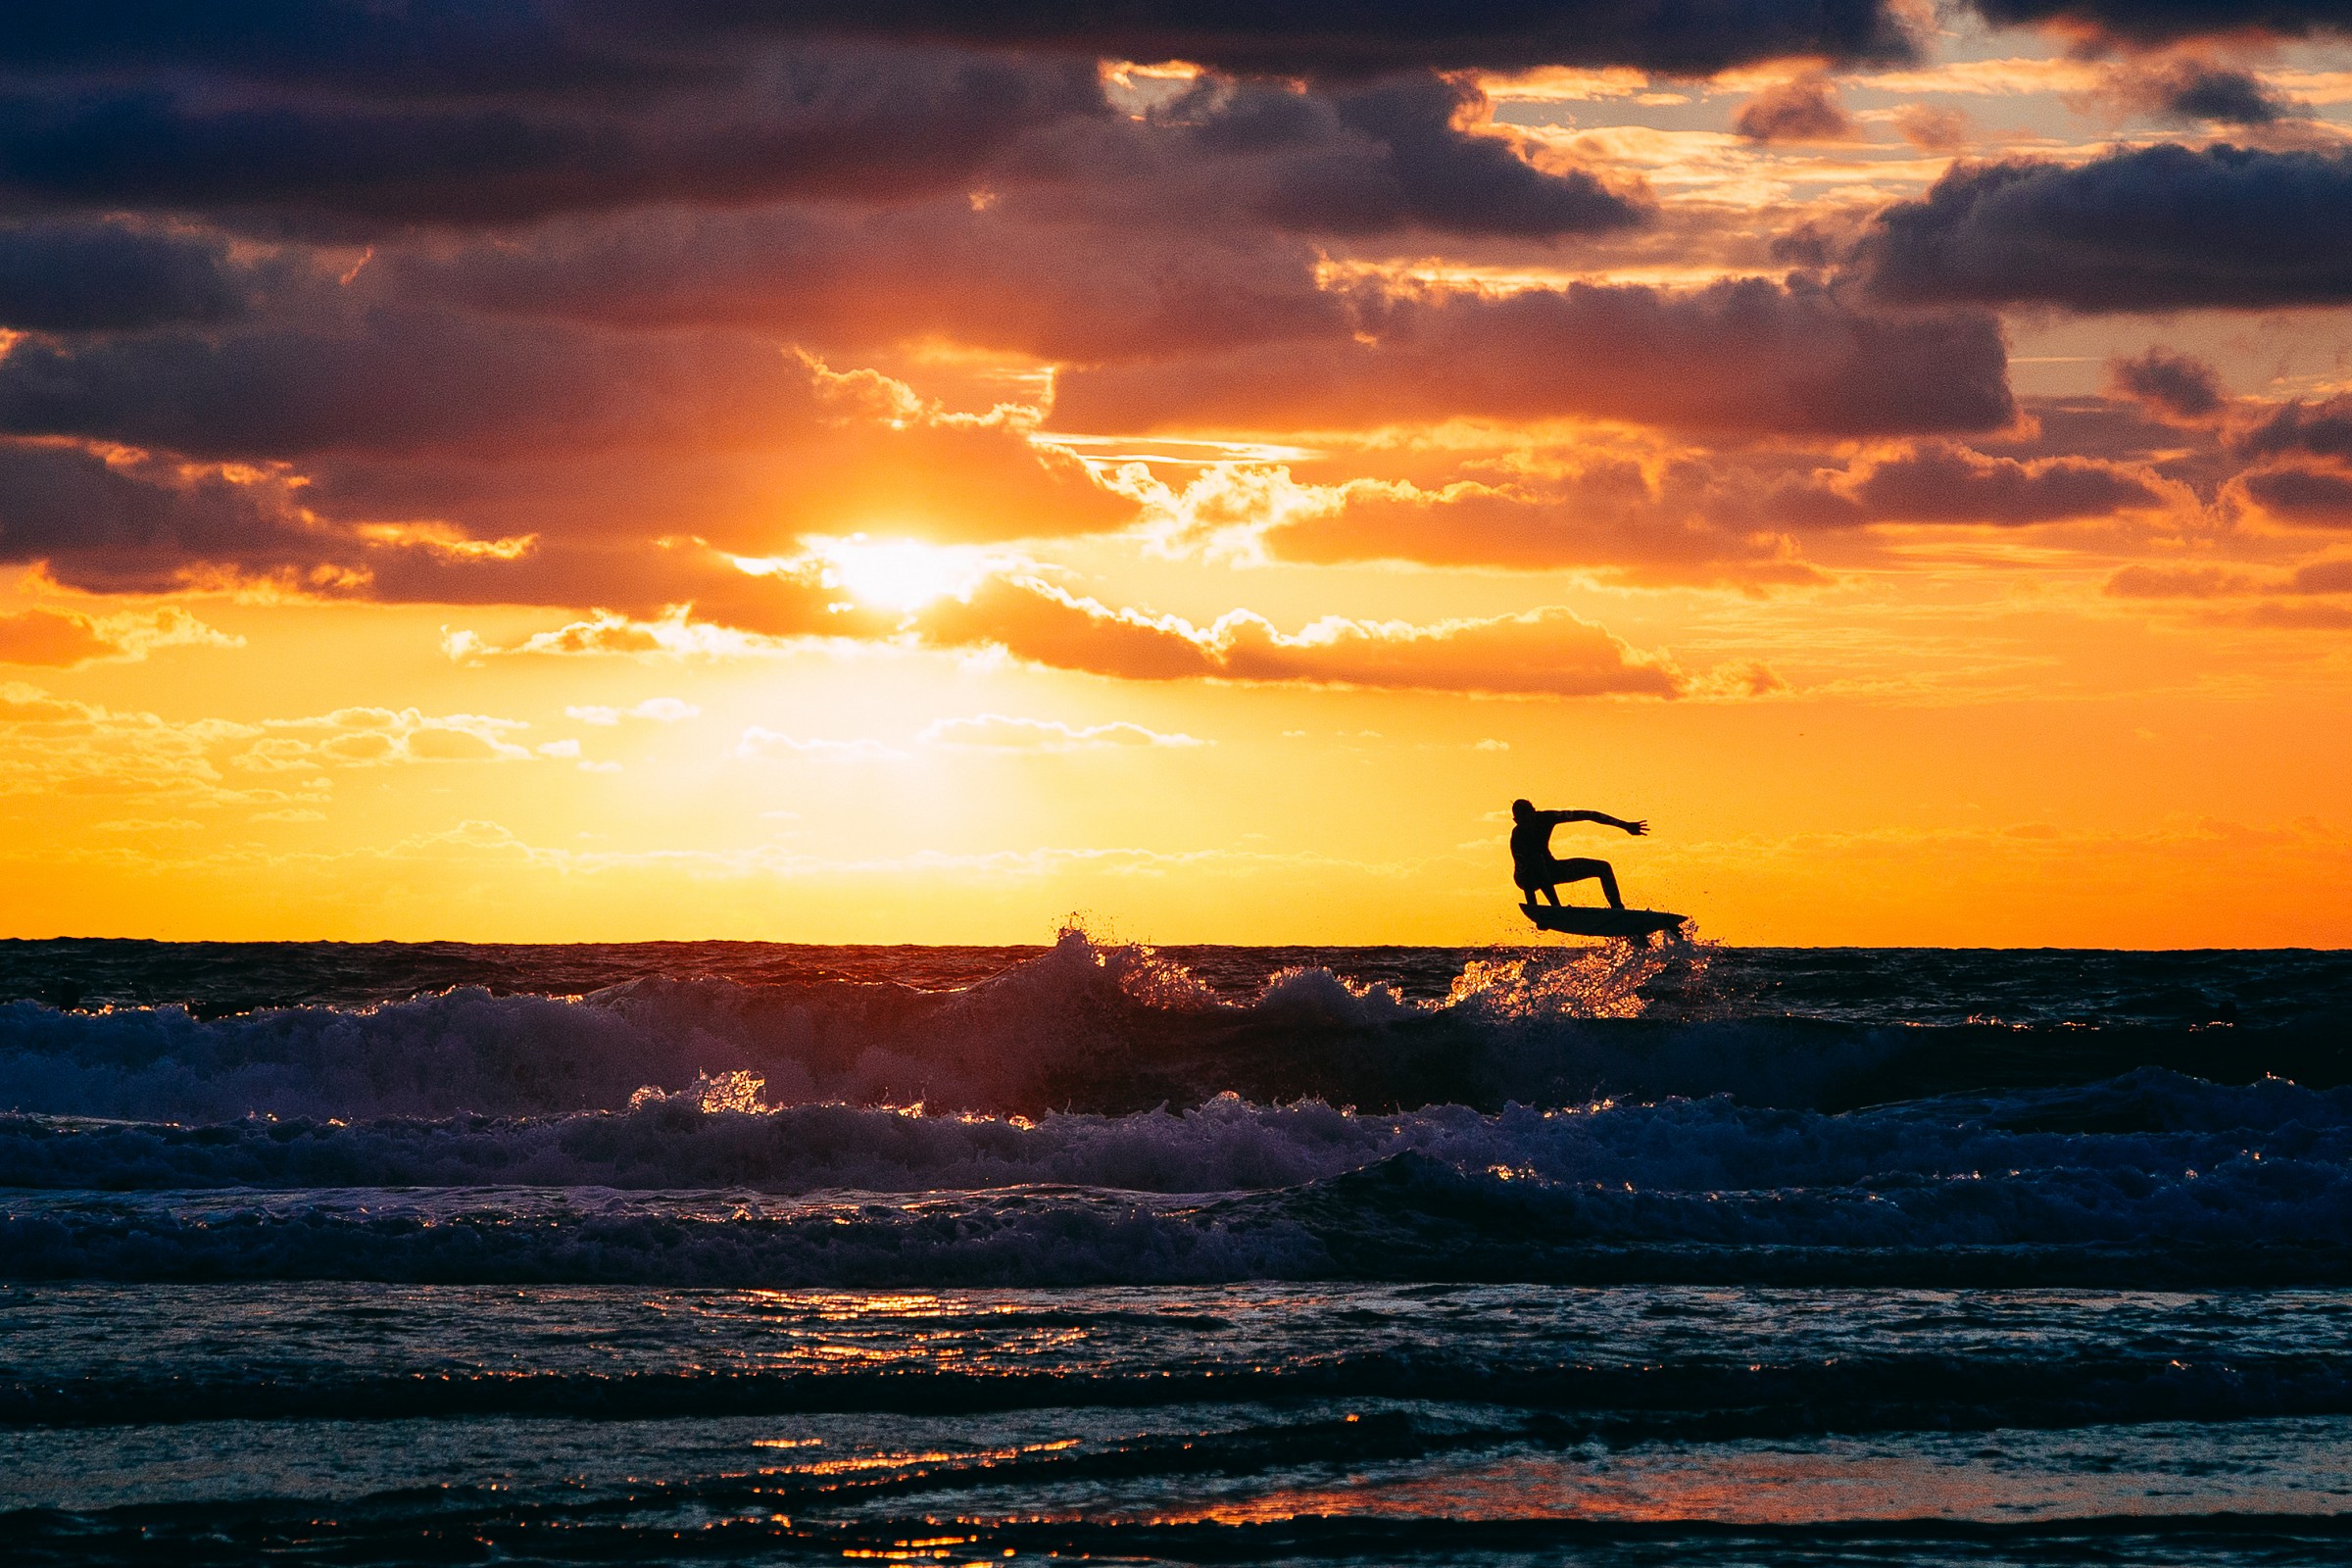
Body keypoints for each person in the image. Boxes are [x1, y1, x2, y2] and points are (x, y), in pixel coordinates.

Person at [1510, 799, 1647, 909]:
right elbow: (1528, 880)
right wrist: (1538, 911)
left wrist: (1625, 825)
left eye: (1530, 819)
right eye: (1523, 822)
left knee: (1603, 867)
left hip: (1552, 870)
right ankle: (1556, 906)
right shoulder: (1517, 838)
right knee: (1537, 860)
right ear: (1516, 821)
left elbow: (1589, 815)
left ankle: (1618, 911)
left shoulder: (1546, 817)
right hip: (1527, 877)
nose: (1528, 825)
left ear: (1535, 812)